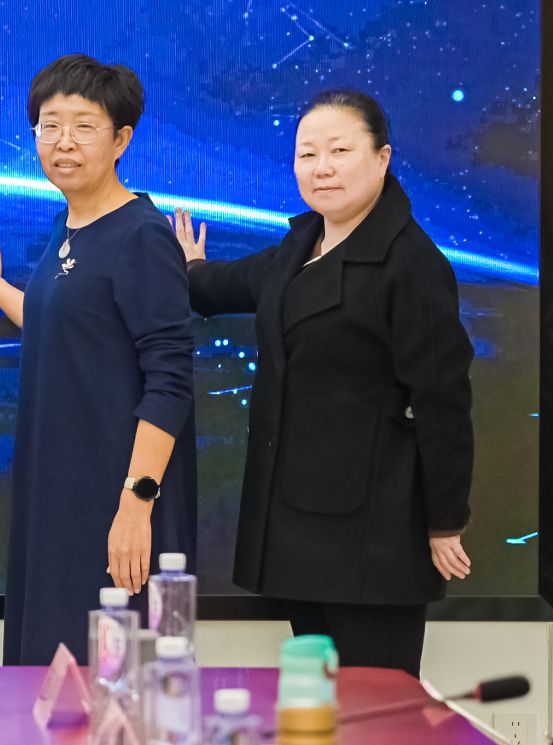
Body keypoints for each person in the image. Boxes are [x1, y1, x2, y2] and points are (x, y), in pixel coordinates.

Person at [172, 90, 473, 675]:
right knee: (317, 703)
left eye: (339, 151)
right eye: (307, 154)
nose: (322, 168)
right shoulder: (303, 242)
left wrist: (444, 522)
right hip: (299, 525)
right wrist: (191, 271)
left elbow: (443, 402)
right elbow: (237, 284)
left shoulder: (411, 263)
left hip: (374, 535)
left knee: (374, 706)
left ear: (382, 158)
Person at [0, 53, 195, 667]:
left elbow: (170, 381)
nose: (63, 142)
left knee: (114, 685)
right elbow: (66, 327)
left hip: (116, 499)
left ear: (121, 140)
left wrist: (136, 503)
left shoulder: (141, 235)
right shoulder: (70, 226)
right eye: (49, 126)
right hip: (59, 492)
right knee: (51, 674)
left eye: (84, 126)